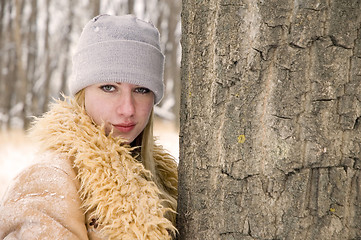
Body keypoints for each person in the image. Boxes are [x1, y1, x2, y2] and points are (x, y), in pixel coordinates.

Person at [0, 14, 178, 239]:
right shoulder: (49, 179)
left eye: (141, 90)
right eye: (109, 87)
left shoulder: (165, 181)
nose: (127, 109)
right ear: (83, 93)